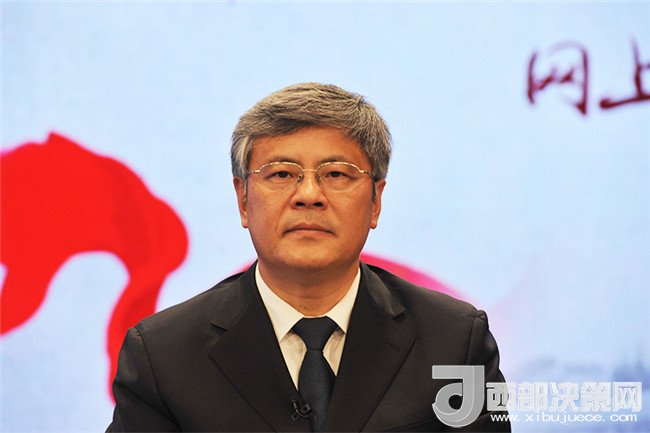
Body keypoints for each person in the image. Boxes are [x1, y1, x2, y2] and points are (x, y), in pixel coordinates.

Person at [107, 82, 511, 432]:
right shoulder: (162, 355)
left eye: (336, 174)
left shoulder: (456, 341)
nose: (309, 195)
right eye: (282, 174)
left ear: (375, 201)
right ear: (243, 200)